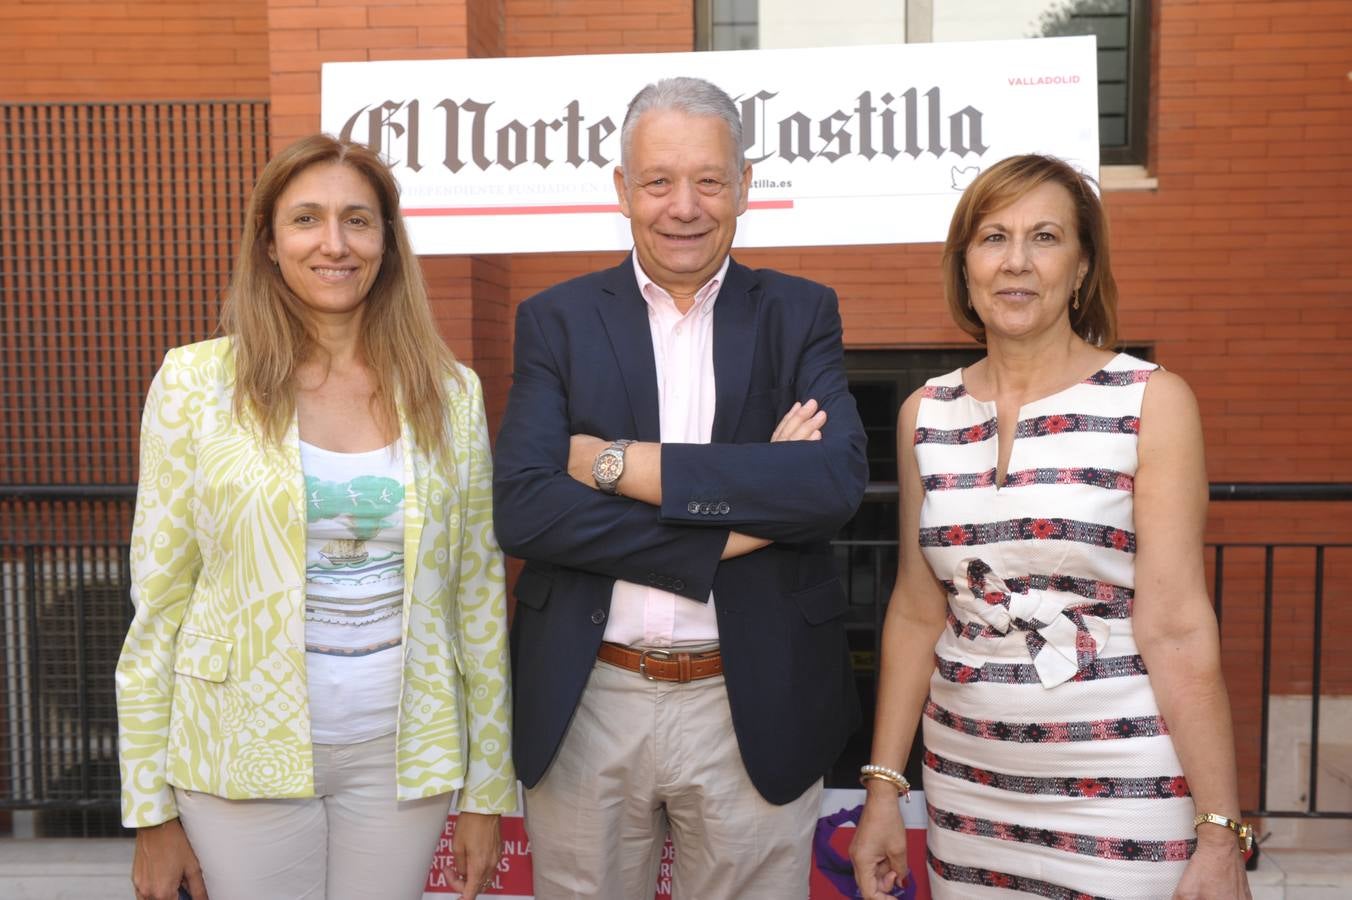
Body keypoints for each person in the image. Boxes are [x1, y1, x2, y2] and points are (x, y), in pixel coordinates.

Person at [492, 76, 868, 899]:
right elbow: (523, 510)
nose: (684, 206)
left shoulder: (801, 313)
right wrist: (744, 506)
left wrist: (612, 467)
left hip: (753, 697)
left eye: (708, 180)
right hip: (590, 696)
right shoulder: (555, 321)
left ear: (743, 186)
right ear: (623, 189)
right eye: (659, 181)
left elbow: (832, 484)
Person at [115, 134, 515, 900]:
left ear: (387, 243)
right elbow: (158, 604)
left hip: (403, 755)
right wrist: (149, 811)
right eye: (307, 219)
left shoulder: (450, 392)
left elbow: (477, 598)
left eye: (358, 221)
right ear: (268, 242)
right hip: (236, 749)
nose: (334, 243)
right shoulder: (196, 383)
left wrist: (487, 788)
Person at [849, 154, 1252, 899]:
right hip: (965, 790)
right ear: (965, 263)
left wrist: (1220, 827)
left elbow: (1178, 626)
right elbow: (913, 611)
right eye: (993, 237)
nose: (1017, 263)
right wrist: (882, 789)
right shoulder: (924, 414)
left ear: (1082, 264)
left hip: (1126, 787)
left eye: (1045, 237)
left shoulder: (1151, 402)